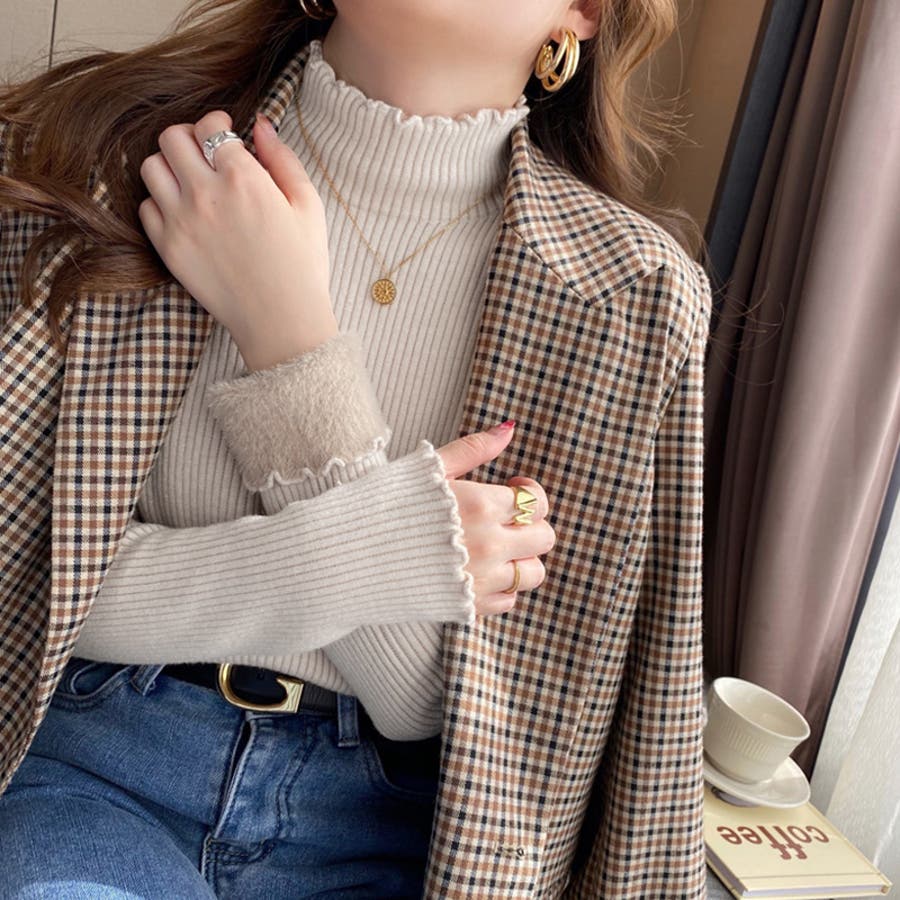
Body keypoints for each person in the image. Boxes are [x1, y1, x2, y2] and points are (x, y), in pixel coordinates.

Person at [0, 0, 713, 897]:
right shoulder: (111, 156)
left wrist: (286, 333)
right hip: (95, 773)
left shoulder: (630, 297)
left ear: (585, 12)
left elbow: (426, 701)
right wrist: (375, 549)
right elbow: (30, 586)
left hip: (392, 833)